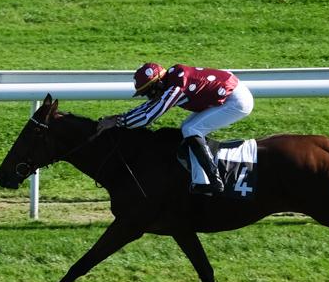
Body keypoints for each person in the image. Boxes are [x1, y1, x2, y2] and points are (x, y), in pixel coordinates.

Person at [96, 62, 254, 195]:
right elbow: (149, 106)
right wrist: (119, 117)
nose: (148, 96)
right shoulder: (169, 81)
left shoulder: (176, 87)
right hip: (229, 94)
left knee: (192, 129)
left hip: (236, 101)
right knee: (188, 127)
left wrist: (119, 122)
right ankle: (202, 182)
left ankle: (215, 181)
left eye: (148, 92)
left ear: (157, 84)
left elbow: (148, 117)